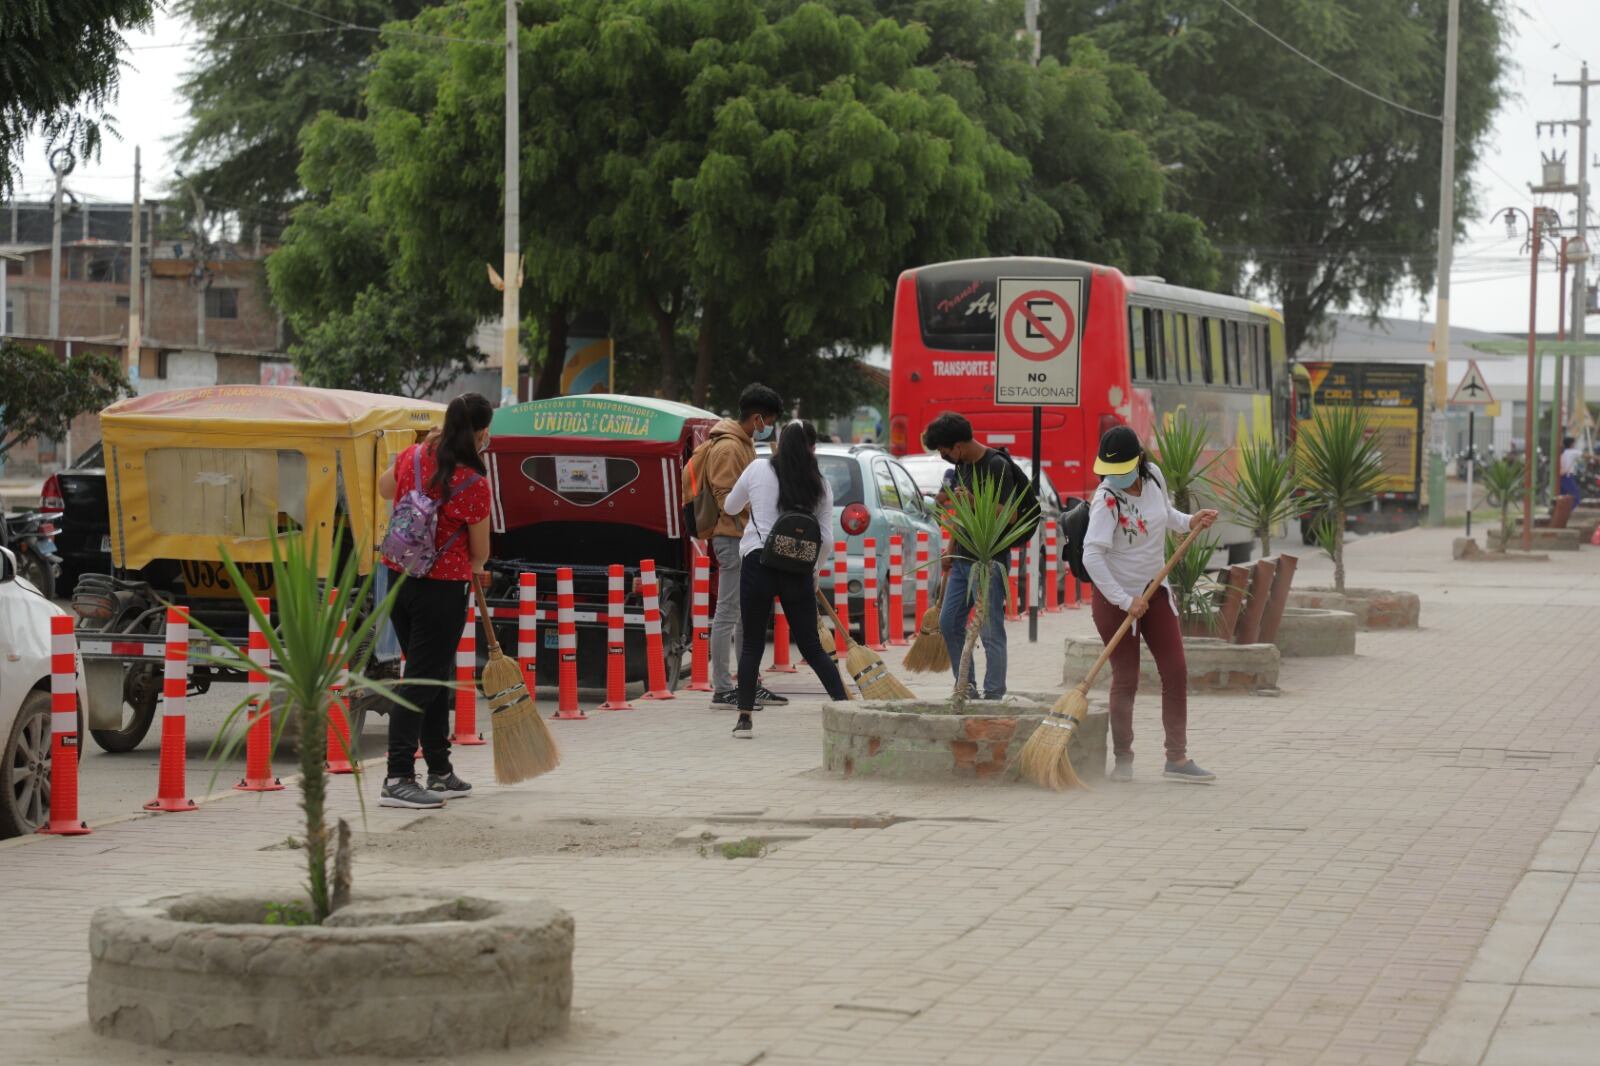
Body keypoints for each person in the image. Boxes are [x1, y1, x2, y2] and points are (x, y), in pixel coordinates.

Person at [1080, 425, 1219, 785]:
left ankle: (1177, 757)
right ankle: (1123, 759)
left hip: (1154, 591)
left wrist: (1190, 521)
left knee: (1175, 670)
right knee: (1126, 679)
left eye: (1124, 470)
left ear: (1139, 461)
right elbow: (1092, 556)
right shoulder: (1106, 499)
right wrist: (1126, 601)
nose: (1118, 479)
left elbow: (1165, 514)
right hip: (1116, 599)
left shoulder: (1153, 476)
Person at [376, 393, 494, 809]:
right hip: (441, 589)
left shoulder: (412, 455)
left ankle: (439, 769)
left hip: (397, 577)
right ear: (480, 432)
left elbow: (384, 486)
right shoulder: (473, 484)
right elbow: (481, 553)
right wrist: (471, 561)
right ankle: (398, 777)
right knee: (423, 680)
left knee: (432, 673)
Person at [723, 420, 850, 737]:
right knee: (811, 646)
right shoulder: (820, 484)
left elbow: (730, 505)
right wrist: (814, 572)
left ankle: (744, 720)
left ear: (778, 443)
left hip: (758, 562)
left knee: (752, 644)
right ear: (812, 448)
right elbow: (827, 539)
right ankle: (846, 709)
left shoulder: (756, 470)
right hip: (797, 569)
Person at [684, 383, 788, 709]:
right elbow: (727, 499)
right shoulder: (729, 448)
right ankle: (722, 688)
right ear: (757, 418)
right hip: (732, 538)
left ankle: (748, 683)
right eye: (768, 420)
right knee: (728, 613)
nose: (768, 426)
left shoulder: (743, 443)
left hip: (745, 538)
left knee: (747, 615)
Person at [922, 412, 1036, 700]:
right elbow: (962, 517)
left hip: (990, 560)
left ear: (958, 446)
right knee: (949, 622)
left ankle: (995, 692)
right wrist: (949, 550)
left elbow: (1010, 516)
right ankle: (966, 685)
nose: (944, 457)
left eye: (944, 451)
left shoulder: (996, 466)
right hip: (962, 558)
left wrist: (974, 500)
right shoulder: (963, 467)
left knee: (989, 629)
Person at [1559, 435, 1583, 505]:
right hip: (1568, 477)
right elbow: (1586, 455)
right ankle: (1569, 511)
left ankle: (1560, 513)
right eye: (1574, 443)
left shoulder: (1563, 453)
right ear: (1571, 444)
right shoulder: (1573, 452)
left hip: (1561, 477)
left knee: (1561, 497)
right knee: (1576, 497)